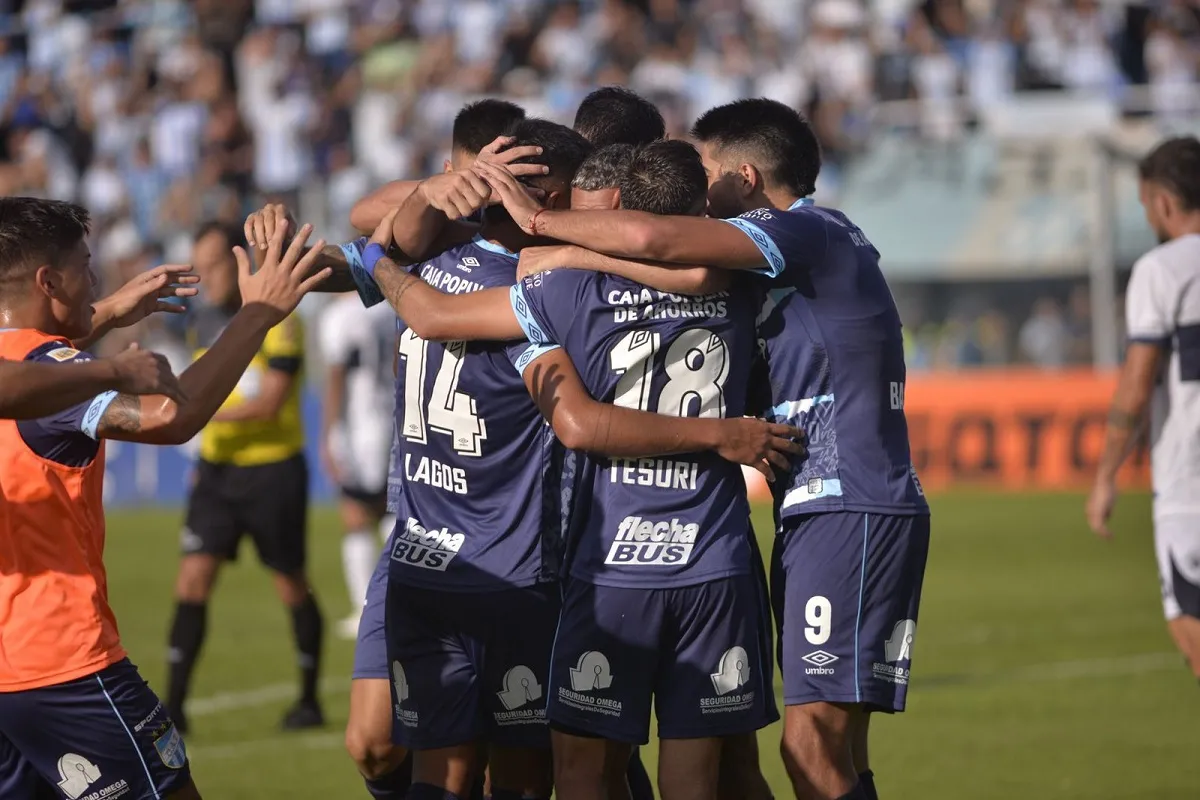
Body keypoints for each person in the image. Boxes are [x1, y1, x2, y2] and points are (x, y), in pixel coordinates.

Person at [480, 98, 932, 800]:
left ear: (746, 178)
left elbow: (661, 244)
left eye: (709, 171)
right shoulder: (798, 247)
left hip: (851, 499)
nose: (699, 190)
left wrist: (540, 225)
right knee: (834, 748)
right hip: (826, 505)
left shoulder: (800, 230)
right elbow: (683, 273)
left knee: (809, 746)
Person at [374, 139, 785, 800]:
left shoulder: (563, 288)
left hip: (611, 569)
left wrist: (380, 261)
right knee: (701, 775)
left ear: (616, 207)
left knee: (582, 773)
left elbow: (432, 314)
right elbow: (695, 267)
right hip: (713, 560)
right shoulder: (736, 282)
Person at [0, 197, 329, 800]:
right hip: (64, 667)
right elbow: (170, 418)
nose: (97, 281)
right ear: (49, 281)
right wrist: (257, 314)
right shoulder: (60, 374)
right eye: (86, 266)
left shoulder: (22, 367)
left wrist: (100, 315)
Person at [163, 221, 326, 734]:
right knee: (192, 579)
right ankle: (173, 708)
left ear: (238, 263)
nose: (203, 276)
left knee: (290, 584)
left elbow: (271, 400)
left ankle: (308, 699)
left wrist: (194, 413)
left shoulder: (278, 318)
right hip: (216, 474)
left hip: (272, 471)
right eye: (198, 264)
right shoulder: (202, 320)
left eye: (212, 264)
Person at [1087, 135, 1200, 680]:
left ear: (1163, 202)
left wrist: (1106, 475)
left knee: (1190, 630)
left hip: (1190, 481)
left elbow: (1137, 384)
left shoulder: (1163, 269)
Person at [319, 293, 397, 640]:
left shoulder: (339, 315)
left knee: (355, 514)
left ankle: (366, 607)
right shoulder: (389, 307)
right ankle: (399, 598)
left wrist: (331, 432)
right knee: (389, 509)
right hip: (392, 417)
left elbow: (335, 377)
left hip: (360, 424)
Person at [349, 99, 528, 233]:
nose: (484, 190)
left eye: (499, 175)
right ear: (448, 172)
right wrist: (426, 192)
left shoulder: (537, 207)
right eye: (472, 177)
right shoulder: (438, 212)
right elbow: (360, 215)